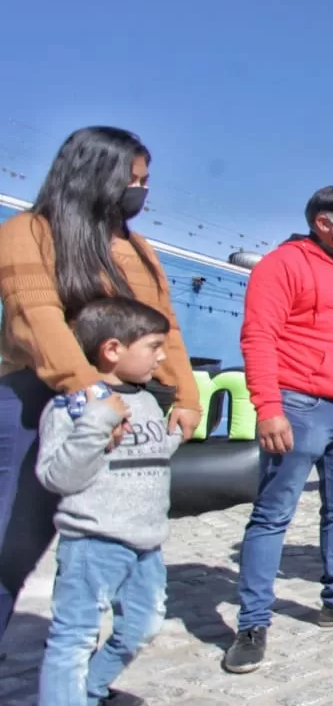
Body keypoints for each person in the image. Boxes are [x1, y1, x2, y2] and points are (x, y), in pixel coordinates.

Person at [0, 126, 201, 646]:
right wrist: (89, 391)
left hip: (120, 408)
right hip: (39, 398)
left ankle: (80, 669)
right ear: (95, 176)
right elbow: (36, 317)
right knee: (15, 539)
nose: (140, 191)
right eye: (131, 180)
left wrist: (185, 392)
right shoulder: (31, 231)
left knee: (99, 539)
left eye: (145, 181)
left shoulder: (138, 250)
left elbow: (163, 329)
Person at [222, 186, 333, 675]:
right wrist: (268, 407)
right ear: (324, 223)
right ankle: (252, 624)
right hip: (298, 408)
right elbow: (258, 336)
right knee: (273, 514)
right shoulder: (282, 264)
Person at [36, 297, 182, 706]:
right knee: (74, 639)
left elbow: (144, 457)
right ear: (113, 349)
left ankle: (89, 691)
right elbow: (57, 476)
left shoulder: (148, 400)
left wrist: (174, 437)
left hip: (146, 545)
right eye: (153, 346)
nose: (162, 356)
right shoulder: (72, 407)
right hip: (93, 544)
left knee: (142, 626)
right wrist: (98, 423)